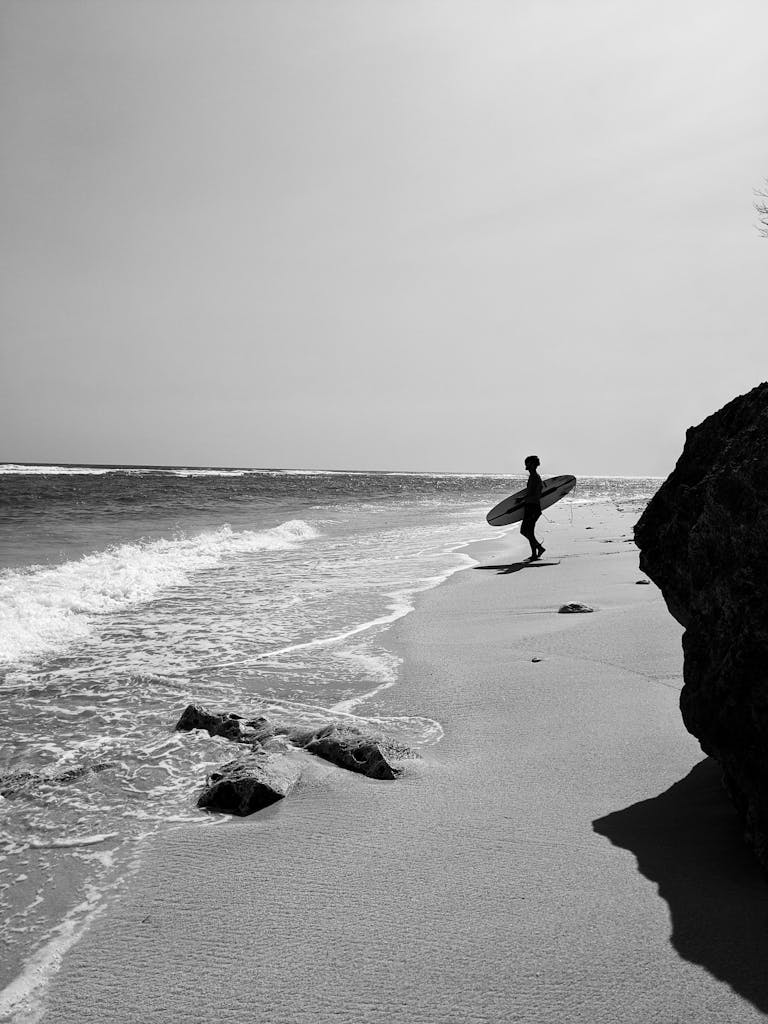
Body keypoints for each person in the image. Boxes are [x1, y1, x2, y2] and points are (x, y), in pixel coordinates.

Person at [520, 455, 545, 560]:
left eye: (528, 463)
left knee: (525, 531)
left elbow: (533, 493)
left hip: (532, 507)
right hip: (532, 506)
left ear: (533, 465)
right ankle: (535, 553)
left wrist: (521, 499)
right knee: (528, 531)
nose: (526, 465)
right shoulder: (533, 476)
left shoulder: (534, 477)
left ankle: (539, 548)